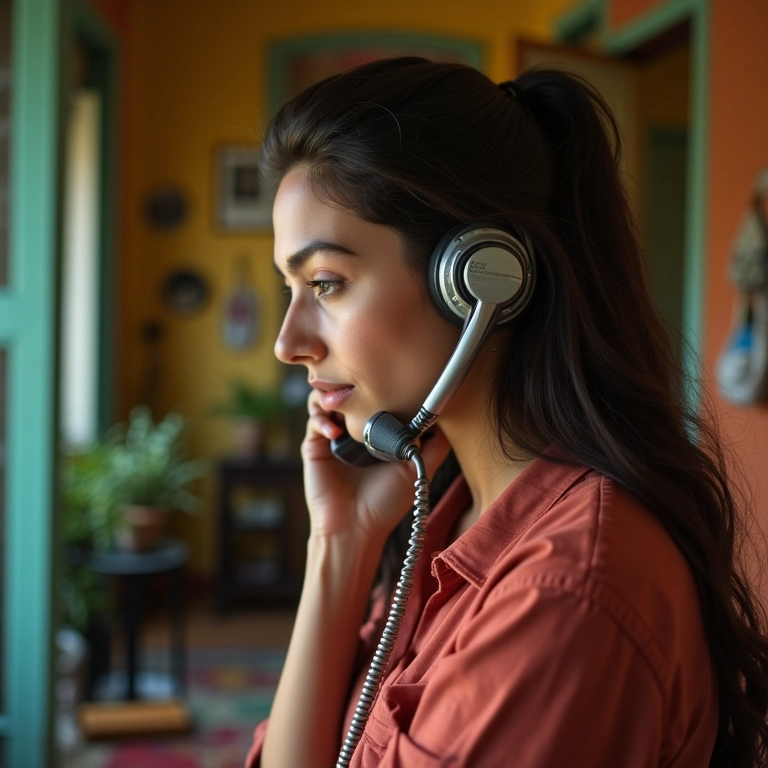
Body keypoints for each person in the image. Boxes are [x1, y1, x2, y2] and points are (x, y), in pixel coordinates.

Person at [245, 57, 768, 767]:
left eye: (327, 284)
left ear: (479, 280)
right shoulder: (451, 516)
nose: (288, 343)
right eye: (292, 287)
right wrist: (340, 545)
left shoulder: (562, 597)